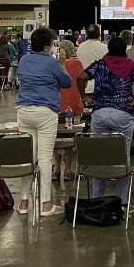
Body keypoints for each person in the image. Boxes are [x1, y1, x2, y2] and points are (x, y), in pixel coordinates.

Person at [77, 37, 134, 214]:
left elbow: (80, 77)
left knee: (99, 157)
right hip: (123, 114)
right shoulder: (131, 65)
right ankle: (122, 203)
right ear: (124, 48)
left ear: (108, 48)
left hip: (100, 113)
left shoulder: (99, 64)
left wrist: (84, 98)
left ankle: (97, 200)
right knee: (122, 158)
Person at [14, 27, 73, 217]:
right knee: (45, 158)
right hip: (46, 111)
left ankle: (24, 202)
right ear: (48, 47)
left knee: (27, 158)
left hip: (24, 110)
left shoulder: (23, 60)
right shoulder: (52, 62)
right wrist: (62, 63)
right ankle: (46, 204)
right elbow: (67, 83)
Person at [53, 39, 84, 183]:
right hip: (74, 105)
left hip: (57, 105)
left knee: (55, 139)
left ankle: (56, 169)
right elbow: (83, 82)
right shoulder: (77, 64)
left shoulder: (55, 64)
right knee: (70, 139)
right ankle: (68, 170)